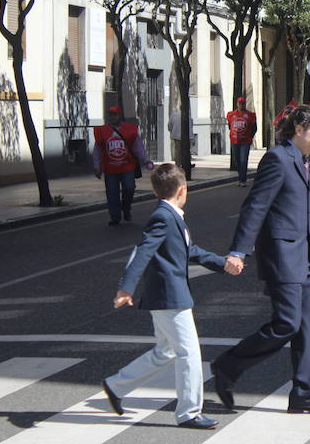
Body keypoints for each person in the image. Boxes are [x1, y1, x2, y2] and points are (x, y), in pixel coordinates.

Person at [211, 106, 310, 416]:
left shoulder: (301, 159)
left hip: (303, 256)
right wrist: (238, 251)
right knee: (287, 323)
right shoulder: (278, 159)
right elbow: (255, 207)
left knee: (309, 327)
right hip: (282, 256)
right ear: (298, 129)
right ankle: (227, 366)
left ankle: (304, 395)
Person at [102, 163, 241, 430]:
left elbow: (189, 250)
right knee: (188, 353)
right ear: (182, 190)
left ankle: (116, 386)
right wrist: (125, 287)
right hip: (170, 297)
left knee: (165, 351)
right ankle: (189, 413)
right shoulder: (163, 218)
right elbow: (142, 251)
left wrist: (222, 263)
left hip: (166, 295)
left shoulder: (170, 215)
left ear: (155, 191)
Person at [93, 105, 154, 226]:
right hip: (110, 169)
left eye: (114, 114)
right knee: (112, 193)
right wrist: (97, 165)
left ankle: (126, 208)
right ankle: (115, 217)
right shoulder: (102, 131)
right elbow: (97, 150)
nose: (112, 117)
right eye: (110, 115)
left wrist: (146, 160)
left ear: (120, 116)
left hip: (127, 167)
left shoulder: (130, 130)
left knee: (129, 188)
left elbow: (138, 148)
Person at [227, 97, 258, 187]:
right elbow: (230, 126)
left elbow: (254, 128)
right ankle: (241, 177)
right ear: (237, 104)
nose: (241, 105)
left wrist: (250, 137)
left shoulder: (250, 115)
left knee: (243, 160)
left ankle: (243, 180)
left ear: (245, 104)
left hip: (245, 141)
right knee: (237, 161)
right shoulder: (231, 115)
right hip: (234, 141)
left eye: (243, 103)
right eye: (239, 103)